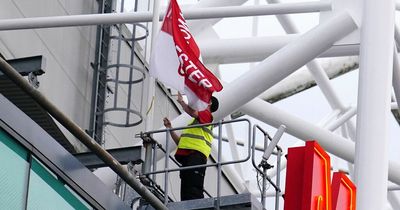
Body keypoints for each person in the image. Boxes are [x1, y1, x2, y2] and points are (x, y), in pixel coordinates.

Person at [163, 92, 219, 201]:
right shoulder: (197, 123)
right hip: (190, 158)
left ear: (210, 103)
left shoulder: (207, 116)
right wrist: (170, 128)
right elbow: (180, 143)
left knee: (193, 190)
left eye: (206, 99)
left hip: (196, 157)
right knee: (187, 191)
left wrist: (181, 102)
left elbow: (192, 112)